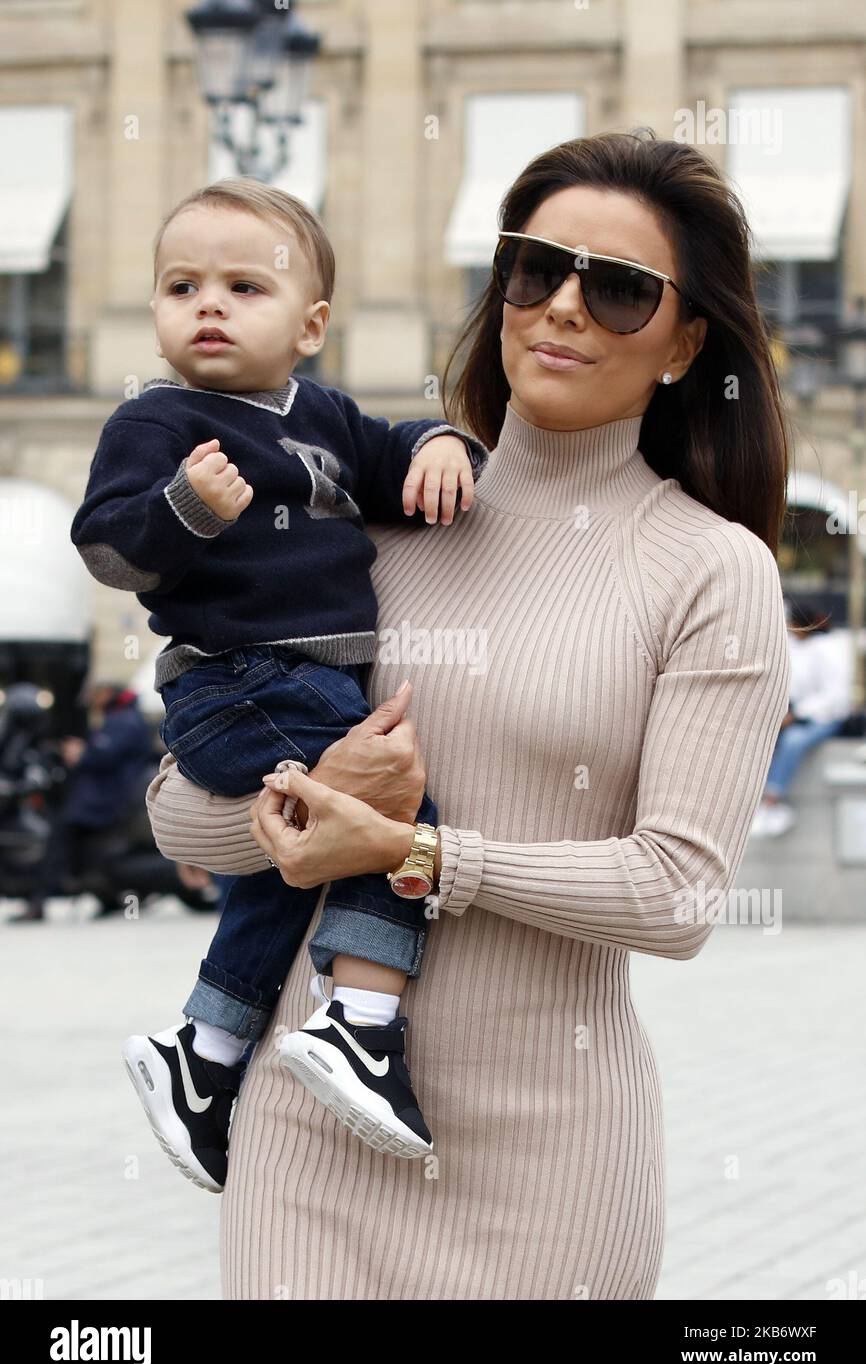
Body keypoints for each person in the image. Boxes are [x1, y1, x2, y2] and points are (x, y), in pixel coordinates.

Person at [145, 130, 792, 1300]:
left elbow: (677, 892)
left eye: (620, 287)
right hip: (308, 1139)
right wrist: (311, 796)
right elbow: (174, 816)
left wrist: (414, 852)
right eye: (532, 269)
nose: (562, 308)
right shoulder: (366, 527)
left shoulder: (708, 571)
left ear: (684, 341)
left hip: (548, 1158)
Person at [70, 178, 489, 1190]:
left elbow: (403, 452)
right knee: (389, 811)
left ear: (309, 326)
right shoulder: (159, 423)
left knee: (284, 867)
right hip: (232, 682)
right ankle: (360, 1021)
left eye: (242, 287)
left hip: (308, 688)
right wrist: (185, 508)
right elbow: (109, 550)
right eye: (182, 285)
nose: (207, 305)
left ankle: (203, 1059)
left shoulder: (327, 416)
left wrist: (440, 444)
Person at [9, 683, 153, 923]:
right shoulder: (123, 717)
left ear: (107, 693)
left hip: (103, 801)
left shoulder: (123, 720)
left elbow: (102, 755)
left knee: (58, 842)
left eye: (95, 695)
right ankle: (107, 896)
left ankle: (38, 903)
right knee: (86, 850)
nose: (92, 701)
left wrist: (80, 753)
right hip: (104, 798)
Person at [749, 601, 852, 838]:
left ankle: (772, 800)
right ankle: (756, 799)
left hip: (825, 717)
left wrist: (798, 714)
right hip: (794, 714)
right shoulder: (794, 647)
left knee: (794, 740)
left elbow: (835, 696)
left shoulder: (827, 648)